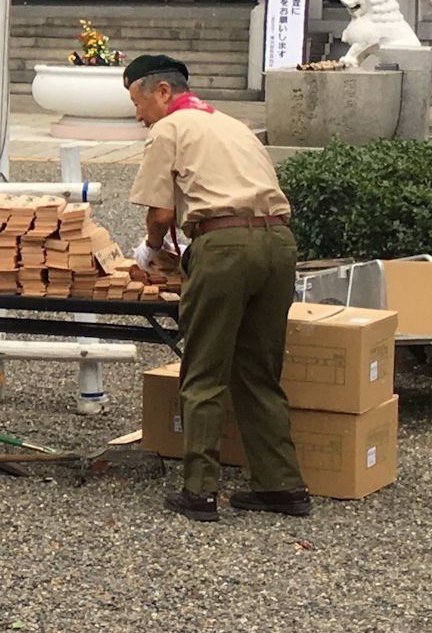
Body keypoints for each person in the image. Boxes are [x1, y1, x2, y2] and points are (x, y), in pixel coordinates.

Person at [126, 53, 308, 521]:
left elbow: (161, 213)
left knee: (204, 369)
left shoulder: (169, 128)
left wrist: (148, 250)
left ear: (161, 92)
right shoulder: (232, 124)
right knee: (259, 370)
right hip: (279, 244)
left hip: (224, 247)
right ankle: (281, 486)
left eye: (137, 101)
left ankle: (200, 490)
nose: (138, 114)